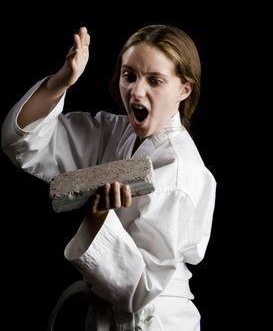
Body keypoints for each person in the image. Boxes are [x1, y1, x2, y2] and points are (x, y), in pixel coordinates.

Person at [1, 24, 216, 331]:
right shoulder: (114, 133)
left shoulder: (180, 170)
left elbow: (140, 290)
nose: (136, 91)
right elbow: (25, 143)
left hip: (154, 321)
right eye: (129, 76)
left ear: (184, 89)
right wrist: (59, 84)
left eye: (155, 80)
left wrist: (99, 218)